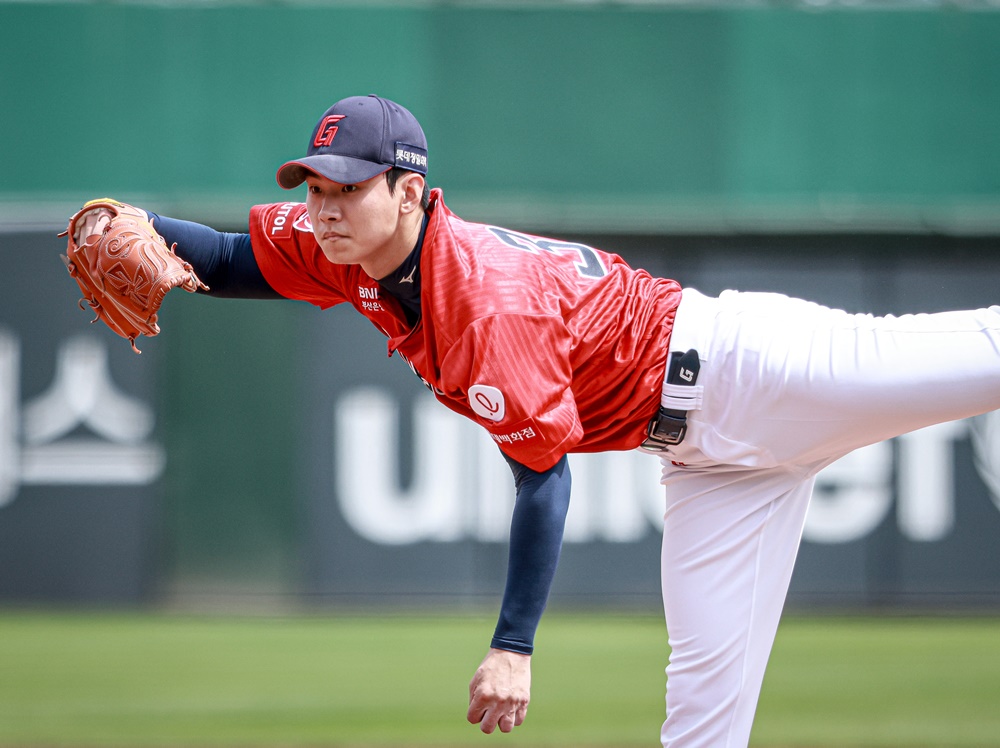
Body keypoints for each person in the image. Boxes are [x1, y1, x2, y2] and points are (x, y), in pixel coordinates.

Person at [71, 94, 1000, 747]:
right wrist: (134, 219)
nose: (323, 209)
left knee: (979, 357)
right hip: (708, 463)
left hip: (754, 369)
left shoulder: (484, 301)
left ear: (408, 191)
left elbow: (543, 478)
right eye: (314, 187)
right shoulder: (342, 248)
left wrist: (512, 646)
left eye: (346, 188)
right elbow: (234, 259)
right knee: (703, 720)